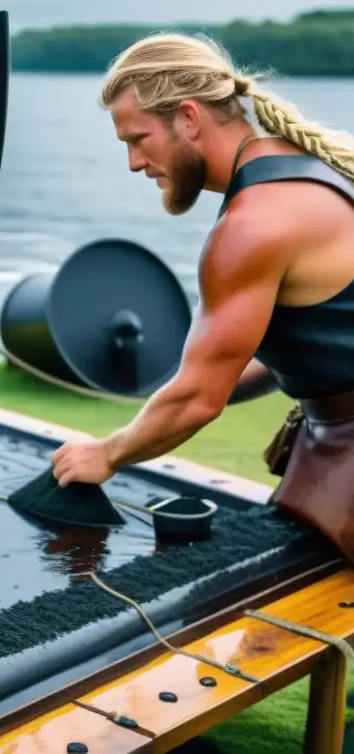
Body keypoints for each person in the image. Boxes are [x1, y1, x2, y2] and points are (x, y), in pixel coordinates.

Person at [49, 32, 354, 561]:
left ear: (188, 118)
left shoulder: (250, 225)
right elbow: (321, 343)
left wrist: (107, 453)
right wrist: (185, 393)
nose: (133, 163)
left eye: (138, 138)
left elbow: (197, 400)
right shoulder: (314, 170)